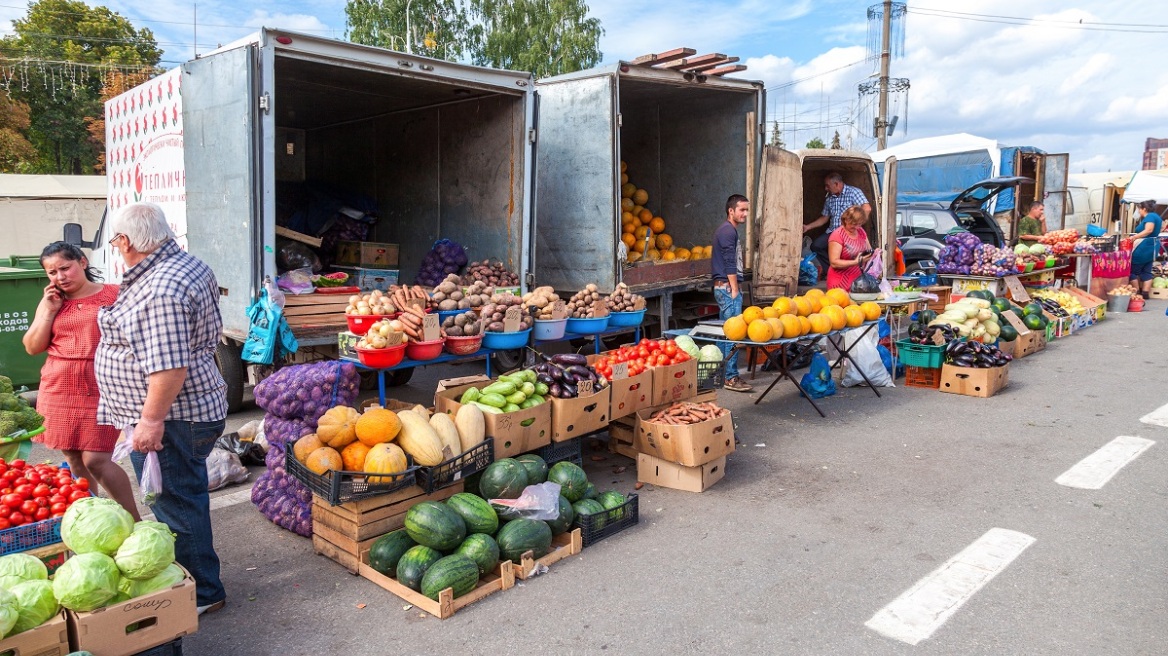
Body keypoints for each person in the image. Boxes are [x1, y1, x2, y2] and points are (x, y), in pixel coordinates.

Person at [95, 203, 229, 616]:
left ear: (130, 241)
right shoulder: (185, 265)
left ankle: (202, 592)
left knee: (177, 503)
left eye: (117, 240)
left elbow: (169, 366)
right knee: (183, 498)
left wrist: (150, 421)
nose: (117, 248)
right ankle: (200, 581)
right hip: (189, 407)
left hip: (174, 417)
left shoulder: (162, 289)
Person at [21, 243, 141, 521]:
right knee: (75, 458)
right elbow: (31, 346)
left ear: (83, 262)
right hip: (59, 386)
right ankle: (93, 519)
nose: (60, 277)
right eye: (52, 272)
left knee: (96, 459)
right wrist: (49, 311)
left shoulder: (115, 294)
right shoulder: (51, 301)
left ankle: (134, 522)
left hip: (103, 384)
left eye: (65, 268)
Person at [712, 194, 753, 393]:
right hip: (728, 289)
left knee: (725, 333)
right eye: (742, 210)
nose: (745, 213)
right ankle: (730, 377)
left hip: (724, 287)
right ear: (731, 211)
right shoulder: (728, 231)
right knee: (733, 334)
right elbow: (729, 262)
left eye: (747, 210)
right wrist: (735, 289)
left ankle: (722, 375)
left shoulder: (728, 230)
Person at [804, 172, 871, 272]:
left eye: (827, 186)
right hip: (833, 232)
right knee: (816, 246)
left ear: (836, 184)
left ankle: (848, 269)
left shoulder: (854, 192)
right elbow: (824, 218)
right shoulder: (829, 198)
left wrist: (857, 224)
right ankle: (833, 269)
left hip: (848, 232)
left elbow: (867, 208)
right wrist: (808, 227)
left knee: (850, 252)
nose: (826, 189)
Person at [826, 206, 874, 292]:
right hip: (840, 283)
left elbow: (868, 249)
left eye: (859, 224)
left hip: (858, 282)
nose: (856, 227)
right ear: (846, 220)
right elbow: (834, 262)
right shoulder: (838, 235)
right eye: (854, 224)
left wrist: (873, 254)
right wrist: (856, 262)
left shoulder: (861, 231)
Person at [1129, 199, 1163, 298]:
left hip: (1144, 247)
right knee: (1146, 271)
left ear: (1144, 209)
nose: (1139, 211)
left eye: (1139, 209)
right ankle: (1145, 293)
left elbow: (1149, 230)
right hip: (1152, 247)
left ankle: (1137, 293)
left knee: (1133, 271)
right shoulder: (1157, 217)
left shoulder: (1150, 216)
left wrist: (1135, 237)